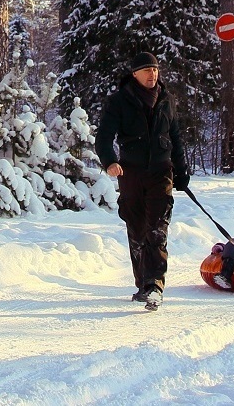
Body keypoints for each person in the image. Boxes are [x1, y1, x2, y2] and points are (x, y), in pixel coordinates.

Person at [95, 52, 190, 312]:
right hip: (131, 174)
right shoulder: (119, 101)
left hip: (161, 172)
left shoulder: (167, 100)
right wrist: (110, 161)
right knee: (137, 231)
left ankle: (155, 285)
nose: (152, 74)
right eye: (147, 70)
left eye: (156, 69)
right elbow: (104, 136)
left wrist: (182, 171)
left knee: (158, 229)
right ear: (135, 74)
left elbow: (176, 138)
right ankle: (143, 284)